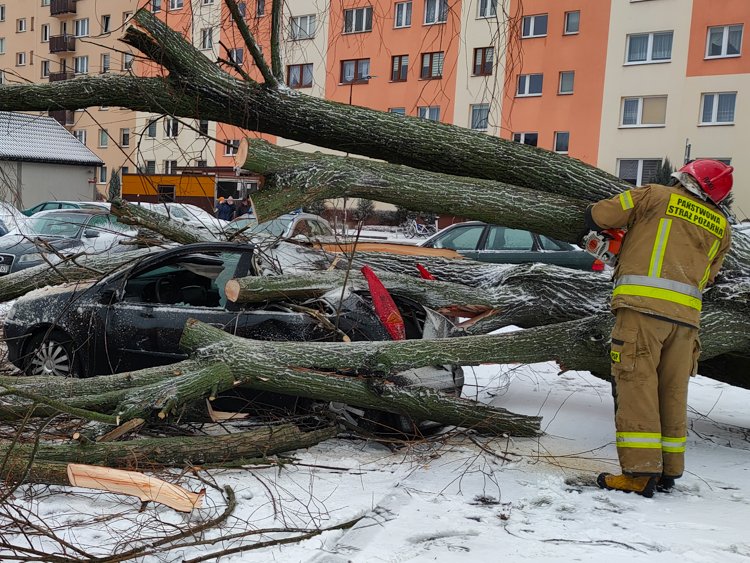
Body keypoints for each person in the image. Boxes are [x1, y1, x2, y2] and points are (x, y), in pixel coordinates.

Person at [584, 159, 733, 498]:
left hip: (642, 311)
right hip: (686, 322)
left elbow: (600, 215)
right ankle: (668, 469)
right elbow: (709, 277)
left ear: (685, 178)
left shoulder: (654, 195)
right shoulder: (720, 226)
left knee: (636, 383)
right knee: (672, 391)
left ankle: (639, 474)